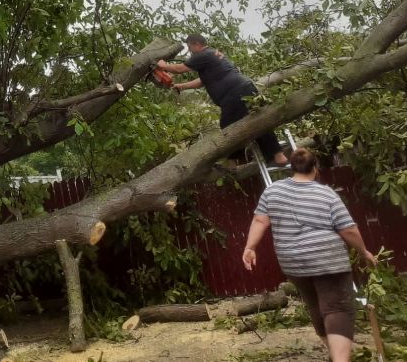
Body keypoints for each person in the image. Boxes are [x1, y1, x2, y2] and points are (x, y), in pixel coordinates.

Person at [242, 148, 378, 362]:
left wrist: (250, 247)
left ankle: (335, 355)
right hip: (327, 258)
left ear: (292, 168)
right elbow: (348, 230)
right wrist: (364, 252)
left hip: (294, 262)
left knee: (315, 304)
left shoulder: (273, 191)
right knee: (337, 308)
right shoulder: (326, 194)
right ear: (315, 169)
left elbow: (260, 220)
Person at [157, 34, 288, 166]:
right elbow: (203, 80)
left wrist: (163, 65)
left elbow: (180, 69)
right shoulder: (212, 54)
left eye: (190, 47)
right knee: (258, 120)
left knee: (229, 128)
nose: (190, 50)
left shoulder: (203, 55)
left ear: (196, 44)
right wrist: (183, 86)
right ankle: (277, 155)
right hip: (245, 88)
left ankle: (232, 162)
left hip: (234, 93)